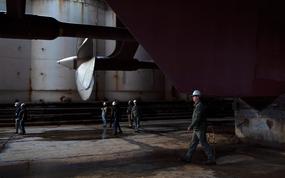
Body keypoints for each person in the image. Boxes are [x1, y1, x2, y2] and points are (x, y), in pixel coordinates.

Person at [182, 90, 216, 165]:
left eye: (194, 96)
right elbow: (196, 118)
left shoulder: (199, 106)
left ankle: (211, 159)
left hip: (200, 128)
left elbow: (197, 118)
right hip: (197, 128)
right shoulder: (197, 105)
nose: (193, 98)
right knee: (193, 143)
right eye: (193, 96)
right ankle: (188, 157)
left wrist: (191, 126)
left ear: (198, 97)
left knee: (204, 143)